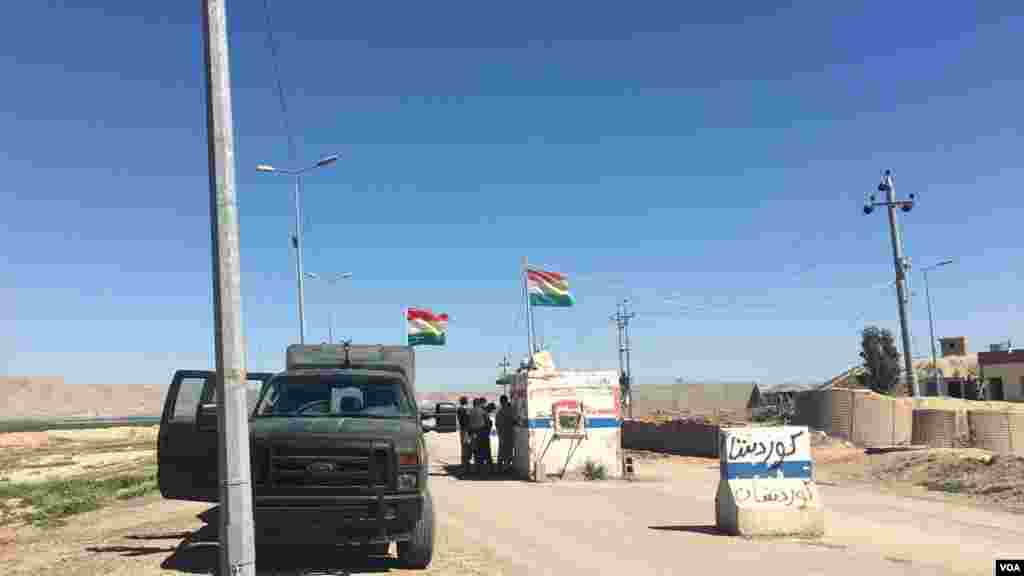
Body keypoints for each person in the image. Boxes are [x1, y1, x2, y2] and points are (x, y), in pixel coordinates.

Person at [467, 397, 487, 475]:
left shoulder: (470, 411)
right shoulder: (482, 411)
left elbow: (469, 423)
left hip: (473, 433)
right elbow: (486, 421)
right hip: (481, 432)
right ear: (478, 404)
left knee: (475, 451)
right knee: (481, 451)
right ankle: (481, 468)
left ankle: (476, 467)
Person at [496, 395, 515, 472]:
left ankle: (500, 467)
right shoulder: (509, 410)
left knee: (501, 451)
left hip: (502, 433)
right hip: (508, 433)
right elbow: (513, 421)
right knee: (508, 451)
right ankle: (506, 467)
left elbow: (497, 424)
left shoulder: (499, 411)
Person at [456, 396, 471, 475]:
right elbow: (466, 421)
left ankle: (465, 466)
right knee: (466, 448)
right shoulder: (464, 410)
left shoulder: (460, 409)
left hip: (463, 430)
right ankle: (465, 467)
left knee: (465, 448)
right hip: (466, 431)